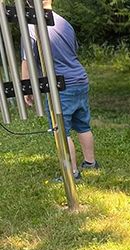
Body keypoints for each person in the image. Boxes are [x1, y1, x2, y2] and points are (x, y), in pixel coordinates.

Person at [21, 0, 99, 181]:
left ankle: (71, 173)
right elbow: (72, 52)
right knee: (83, 125)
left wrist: (27, 89)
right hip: (80, 79)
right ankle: (90, 163)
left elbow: (27, 62)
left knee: (61, 131)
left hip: (61, 85)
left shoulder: (32, 26)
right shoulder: (64, 23)